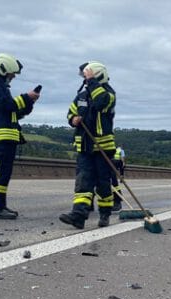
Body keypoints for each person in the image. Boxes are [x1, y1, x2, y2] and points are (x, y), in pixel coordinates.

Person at [59, 61, 116, 229]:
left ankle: (105, 213)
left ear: (96, 75)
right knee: (83, 181)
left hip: (102, 147)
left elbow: (100, 102)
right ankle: (79, 215)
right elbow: (71, 111)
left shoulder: (108, 93)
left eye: (87, 77)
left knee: (103, 183)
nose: (85, 80)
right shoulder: (82, 96)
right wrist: (72, 119)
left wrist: (92, 82)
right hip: (84, 147)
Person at [0, 53, 39, 219]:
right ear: (4, 70)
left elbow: (15, 112)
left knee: (4, 173)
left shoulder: (1, 87)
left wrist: (29, 103)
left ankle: (0, 206)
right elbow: (7, 105)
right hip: (1, 136)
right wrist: (25, 98)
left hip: (8, 137)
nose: (13, 77)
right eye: (11, 74)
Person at [111, 146, 126, 211]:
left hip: (111, 162)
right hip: (115, 162)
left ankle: (117, 201)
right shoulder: (121, 150)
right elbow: (122, 159)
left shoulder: (116, 149)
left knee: (112, 181)